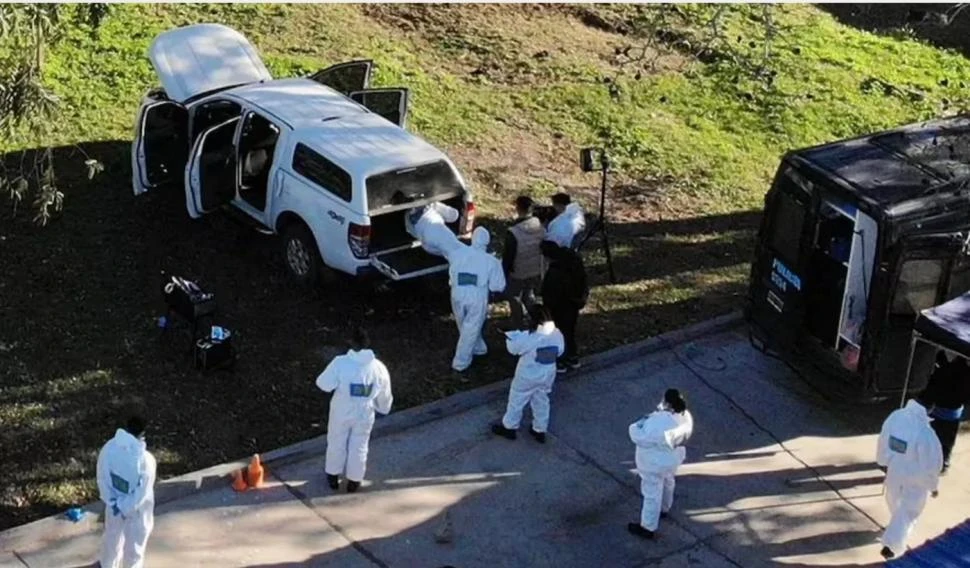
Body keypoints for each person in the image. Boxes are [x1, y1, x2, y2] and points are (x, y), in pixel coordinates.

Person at [316, 327, 393, 493]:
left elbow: (323, 384)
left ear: (351, 343)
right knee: (360, 444)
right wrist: (383, 408)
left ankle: (333, 476)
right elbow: (385, 395)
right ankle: (354, 480)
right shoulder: (378, 368)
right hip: (365, 412)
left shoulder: (340, 363)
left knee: (336, 441)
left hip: (341, 409)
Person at [875, 396, 944, 560]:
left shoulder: (895, 417)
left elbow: (884, 438)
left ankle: (893, 530)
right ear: (929, 410)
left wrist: (882, 461)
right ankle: (891, 545)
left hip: (895, 471)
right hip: (916, 479)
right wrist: (933, 486)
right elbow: (932, 464)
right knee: (908, 511)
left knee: (894, 502)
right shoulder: (926, 433)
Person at [491, 305, 565, 443]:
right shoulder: (557, 333)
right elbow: (560, 351)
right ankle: (540, 429)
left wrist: (509, 335)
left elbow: (513, 349)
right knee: (541, 400)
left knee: (517, 400)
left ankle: (510, 427)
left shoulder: (531, 336)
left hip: (527, 376)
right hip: (547, 375)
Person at [627, 389, 693, 539]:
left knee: (651, 493)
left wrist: (643, 421)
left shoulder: (658, 421)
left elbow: (637, 434)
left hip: (653, 463)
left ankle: (648, 527)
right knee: (669, 481)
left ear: (667, 402)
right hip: (673, 459)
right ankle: (665, 508)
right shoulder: (686, 417)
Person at [96, 415, 157, 568]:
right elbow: (142, 492)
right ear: (142, 434)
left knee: (112, 540)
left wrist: (112, 502)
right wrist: (125, 506)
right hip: (137, 512)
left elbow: (102, 476)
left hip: (113, 506)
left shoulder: (109, 447)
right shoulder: (146, 460)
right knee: (135, 549)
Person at [449, 226, 506, 372]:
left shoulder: (458, 254)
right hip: (476, 295)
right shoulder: (491, 261)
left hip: (456, 292)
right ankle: (461, 362)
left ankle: (479, 347)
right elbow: (497, 286)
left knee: (463, 324)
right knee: (471, 328)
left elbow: (451, 274)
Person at [540, 240, 589, 373]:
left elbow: (549, 294)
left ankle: (561, 360)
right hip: (573, 303)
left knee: (559, 333)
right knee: (570, 331)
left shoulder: (554, 272)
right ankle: (573, 357)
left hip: (559, 306)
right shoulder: (574, 261)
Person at [503, 196, 546, 330]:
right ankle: (539, 319)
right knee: (529, 294)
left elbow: (508, 257)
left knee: (515, 297)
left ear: (518, 208)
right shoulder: (540, 226)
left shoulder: (514, 232)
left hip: (518, 271)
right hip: (535, 269)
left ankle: (519, 326)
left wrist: (505, 272)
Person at [923, 352, 969, 474]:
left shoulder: (949, 367)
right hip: (946, 411)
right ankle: (941, 462)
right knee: (941, 440)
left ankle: (935, 461)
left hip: (943, 411)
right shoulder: (966, 374)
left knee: (938, 439)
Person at [393, 193, 463, 260]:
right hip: (421, 227)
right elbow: (452, 215)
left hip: (425, 222)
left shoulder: (448, 237)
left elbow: (412, 232)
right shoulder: (433, 248)